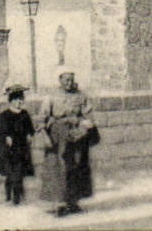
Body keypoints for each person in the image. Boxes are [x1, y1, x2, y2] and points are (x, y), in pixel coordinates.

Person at [39, 70, 97, 216]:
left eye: (71, 79)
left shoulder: (81, 96)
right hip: (58, 136)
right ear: (59, 80)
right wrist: (44, 134)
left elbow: (89, 114)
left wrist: (82, 123)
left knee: (77, 166)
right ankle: (59, 204)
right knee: (59, 168)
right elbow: (42, 117)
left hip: (76, 135)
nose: (69, 83)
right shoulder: (51, 96)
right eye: (66, 79)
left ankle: (73, 201)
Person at [0, 84, 35, 205]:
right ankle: (9, 195)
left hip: (21, 148)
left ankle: (18, 196)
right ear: (10, 101)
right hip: (9, 149)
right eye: (16, 100)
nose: (19, 103)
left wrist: (29, 134)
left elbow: (29, 128)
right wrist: (6, 136)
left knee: (19, 172)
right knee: (11, 173)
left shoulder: (24, 114)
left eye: (21, 100)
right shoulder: (5, 115)